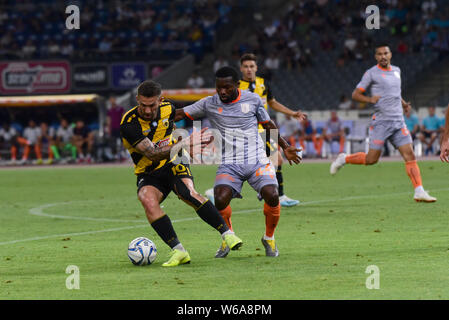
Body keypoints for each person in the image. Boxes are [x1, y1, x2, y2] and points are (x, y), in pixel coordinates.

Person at [175, 66, 302, 258]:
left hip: (257, 160)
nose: (222, 92)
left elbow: (268, 125)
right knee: (220, 198)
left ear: (236, 84)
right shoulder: (209, 103)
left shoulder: (253, 99)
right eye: (219, 88)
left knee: (272, 194)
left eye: (227, 87)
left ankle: (269, 238)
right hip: (229, 163)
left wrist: (284, 146)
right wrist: (160, 112)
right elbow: (179, 114)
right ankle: (229, 237)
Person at [120, 79, 242, 267]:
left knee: (188, 193)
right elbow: (151, 154)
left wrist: (182, 146)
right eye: (142, 105)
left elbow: (170, 127)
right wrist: (183, 144)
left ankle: (228, 234)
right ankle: (179, 251)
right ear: (137, 100)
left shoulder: (169, 108)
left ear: (160, 101)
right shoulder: (129, 123)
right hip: (149, 170)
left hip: (174, 160)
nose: (146, 110)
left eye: (151, 105)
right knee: (147, 200)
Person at [330, 44, 436, 203]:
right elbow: (356, 94)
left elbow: (395, 92)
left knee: (410, 155)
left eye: (385, 53)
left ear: (390, 54)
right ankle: (344, 158)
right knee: (371, 160)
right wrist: (369, 99)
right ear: (376, 57)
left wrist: (403, 104)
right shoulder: (371, 73)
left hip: (398, 122)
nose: (383, 56)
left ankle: (419, 191)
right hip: (381, 123)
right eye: (379, 54)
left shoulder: (397, 71)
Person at [208, 53, 305, 207]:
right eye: (245, 66)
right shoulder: (235, 85)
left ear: (256, 68)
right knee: (250, 163)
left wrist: (292, 113)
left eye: (251, 66)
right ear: (241, 69)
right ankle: (276, 195)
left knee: (276, 160)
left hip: (265, 128)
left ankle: (276, 194)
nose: (249, 69)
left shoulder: (263, 84)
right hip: (247, 133)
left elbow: (272, 103)